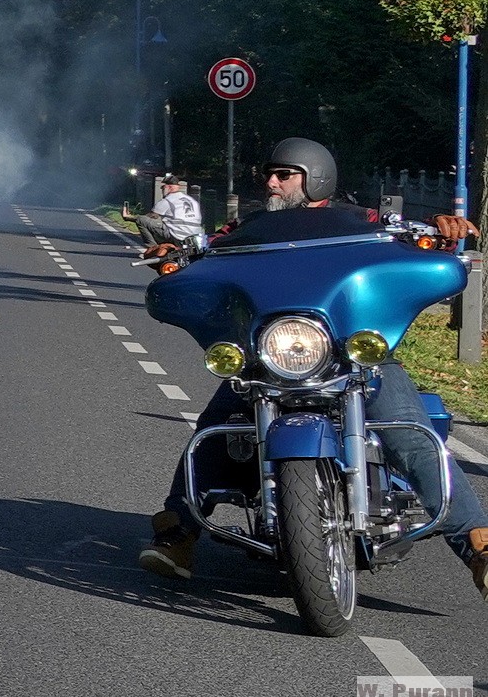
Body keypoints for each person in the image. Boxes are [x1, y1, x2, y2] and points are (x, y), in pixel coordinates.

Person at [138, 137, 488, 599]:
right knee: (214, 429)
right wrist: (174, 258)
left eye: (284, 174)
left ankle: (478, 547)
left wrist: (440, 231)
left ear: (316, 178)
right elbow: (205, 255)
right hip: (271, 358)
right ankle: (178, 533)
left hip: (351, 354)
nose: (272, 182)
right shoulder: (245, 230)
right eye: (270, 173)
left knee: (411, 435)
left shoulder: (365, 221)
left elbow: (410, 238)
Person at [123, 173, 202, 251]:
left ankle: (153, 250)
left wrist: (129, 217)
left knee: (141, 220)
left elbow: (151, 216)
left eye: (162, 187)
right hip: (195, 236)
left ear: (168, 187)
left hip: (178, 236)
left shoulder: (168, 200)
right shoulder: (191, 200)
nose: (161, 190)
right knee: (163, 223)